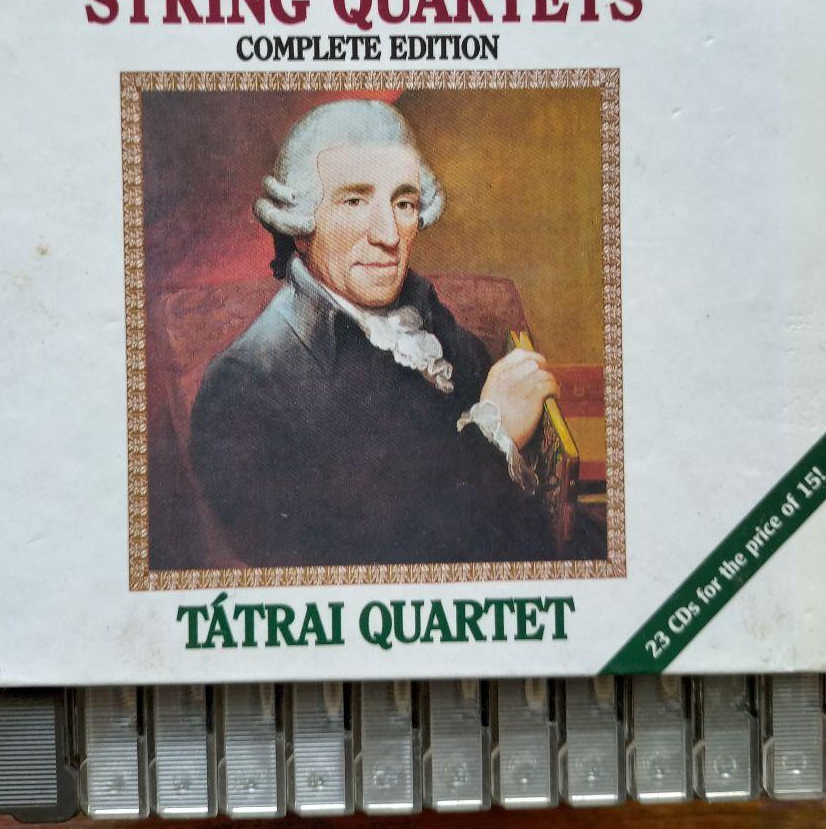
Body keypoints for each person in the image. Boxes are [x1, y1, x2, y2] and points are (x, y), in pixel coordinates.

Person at [190, 99, 559, 567]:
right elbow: (353, 564)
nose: (388, 234)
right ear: (299, 223)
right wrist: (493, 435)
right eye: (354, 201)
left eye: (403, 203)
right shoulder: (244, 387)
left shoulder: (436, 329)